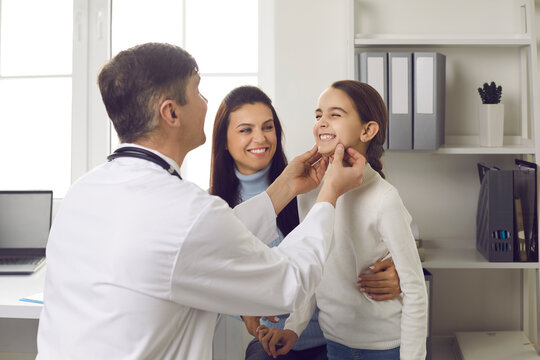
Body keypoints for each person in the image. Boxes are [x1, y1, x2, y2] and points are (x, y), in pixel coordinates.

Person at [35, 43, 367, 360]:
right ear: (171, 112)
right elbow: (288, 283)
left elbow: (206, 238)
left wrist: (283, 187)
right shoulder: (186, 211)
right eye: (197, 90)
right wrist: (329, 193)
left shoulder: (83, 191)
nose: (206, 101)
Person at [210, 85, 402, 360]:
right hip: (279, 341)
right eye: (245, 130)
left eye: (268, 127)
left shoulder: (314, 182)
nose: (260, 138)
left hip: (335, 338)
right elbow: (208, 275)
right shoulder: (214, 209)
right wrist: (246, 311)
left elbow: (368, 241)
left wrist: (397, 270)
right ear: (223, 140)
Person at [257, 81, 427, 360]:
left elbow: (415, 290)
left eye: (335, 114)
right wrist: (294, 327)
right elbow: (313, 265)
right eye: (318, 115)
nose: (322, 122)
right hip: (335, 343)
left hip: (385, 348)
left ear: (368, 130)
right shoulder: (312, 191)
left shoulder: (385, 199)